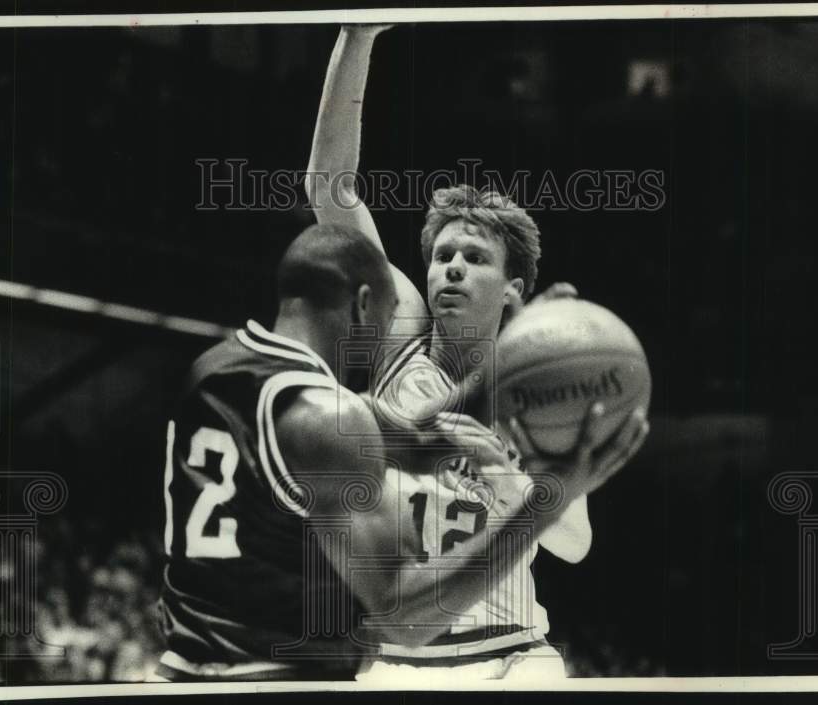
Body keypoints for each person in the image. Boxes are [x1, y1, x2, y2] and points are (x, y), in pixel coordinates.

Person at [306, 25, 650, 681]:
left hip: (511, 656)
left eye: (474, 257)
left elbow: (575, 546)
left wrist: (506, 476)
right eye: (441, 256)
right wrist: (357, 35)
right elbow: (329, 188)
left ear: (514, 289)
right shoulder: (397, 332)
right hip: (397, 662)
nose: (452, 269)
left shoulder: (545, 393)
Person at [154, 223, 620, 682]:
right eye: (442, 258)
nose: (389, 328)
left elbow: (404, 438)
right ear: (362, 304)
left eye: (474, 259)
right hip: (286, 672)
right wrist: (538, 507)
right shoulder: (331, 411)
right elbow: (403, 614)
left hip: (184, 667)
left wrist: (501, 428)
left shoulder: (214, 370)